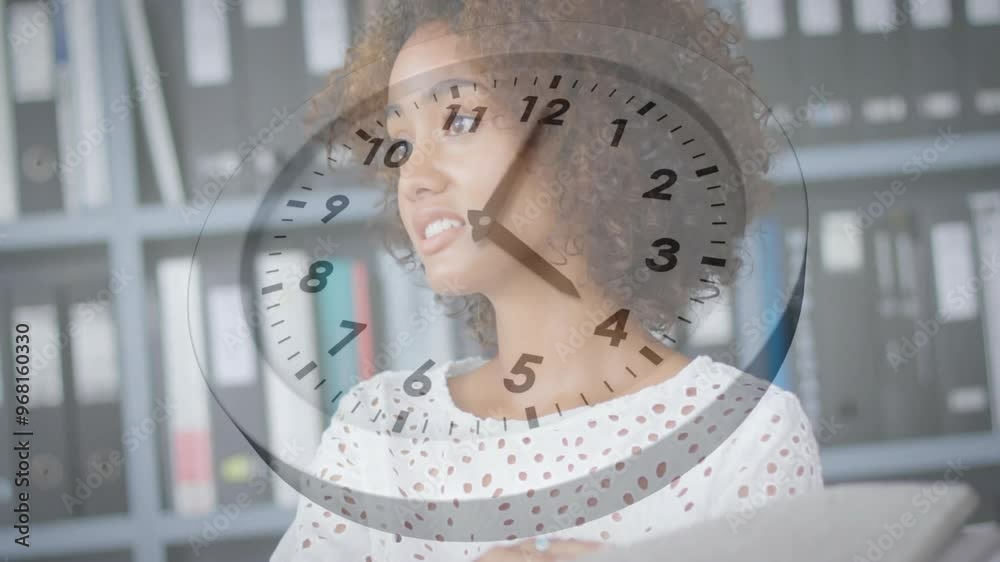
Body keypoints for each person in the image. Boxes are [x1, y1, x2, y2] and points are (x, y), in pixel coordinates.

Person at [272, 1, 823, 560]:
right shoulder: (377, 434)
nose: (414, 177)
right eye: (402, 144)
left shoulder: (743, 436)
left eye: (459, 119)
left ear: (589, 130)